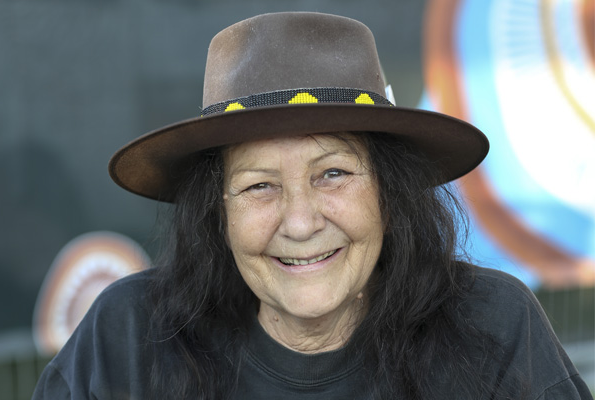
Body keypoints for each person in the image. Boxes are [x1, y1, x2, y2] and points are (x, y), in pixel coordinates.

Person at [32, 12, 592, 400]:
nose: (300, 223)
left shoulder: (493, 328)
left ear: (388, 194)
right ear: (217, 214)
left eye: (333, 174)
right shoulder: (128, 338)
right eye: (259, 186)